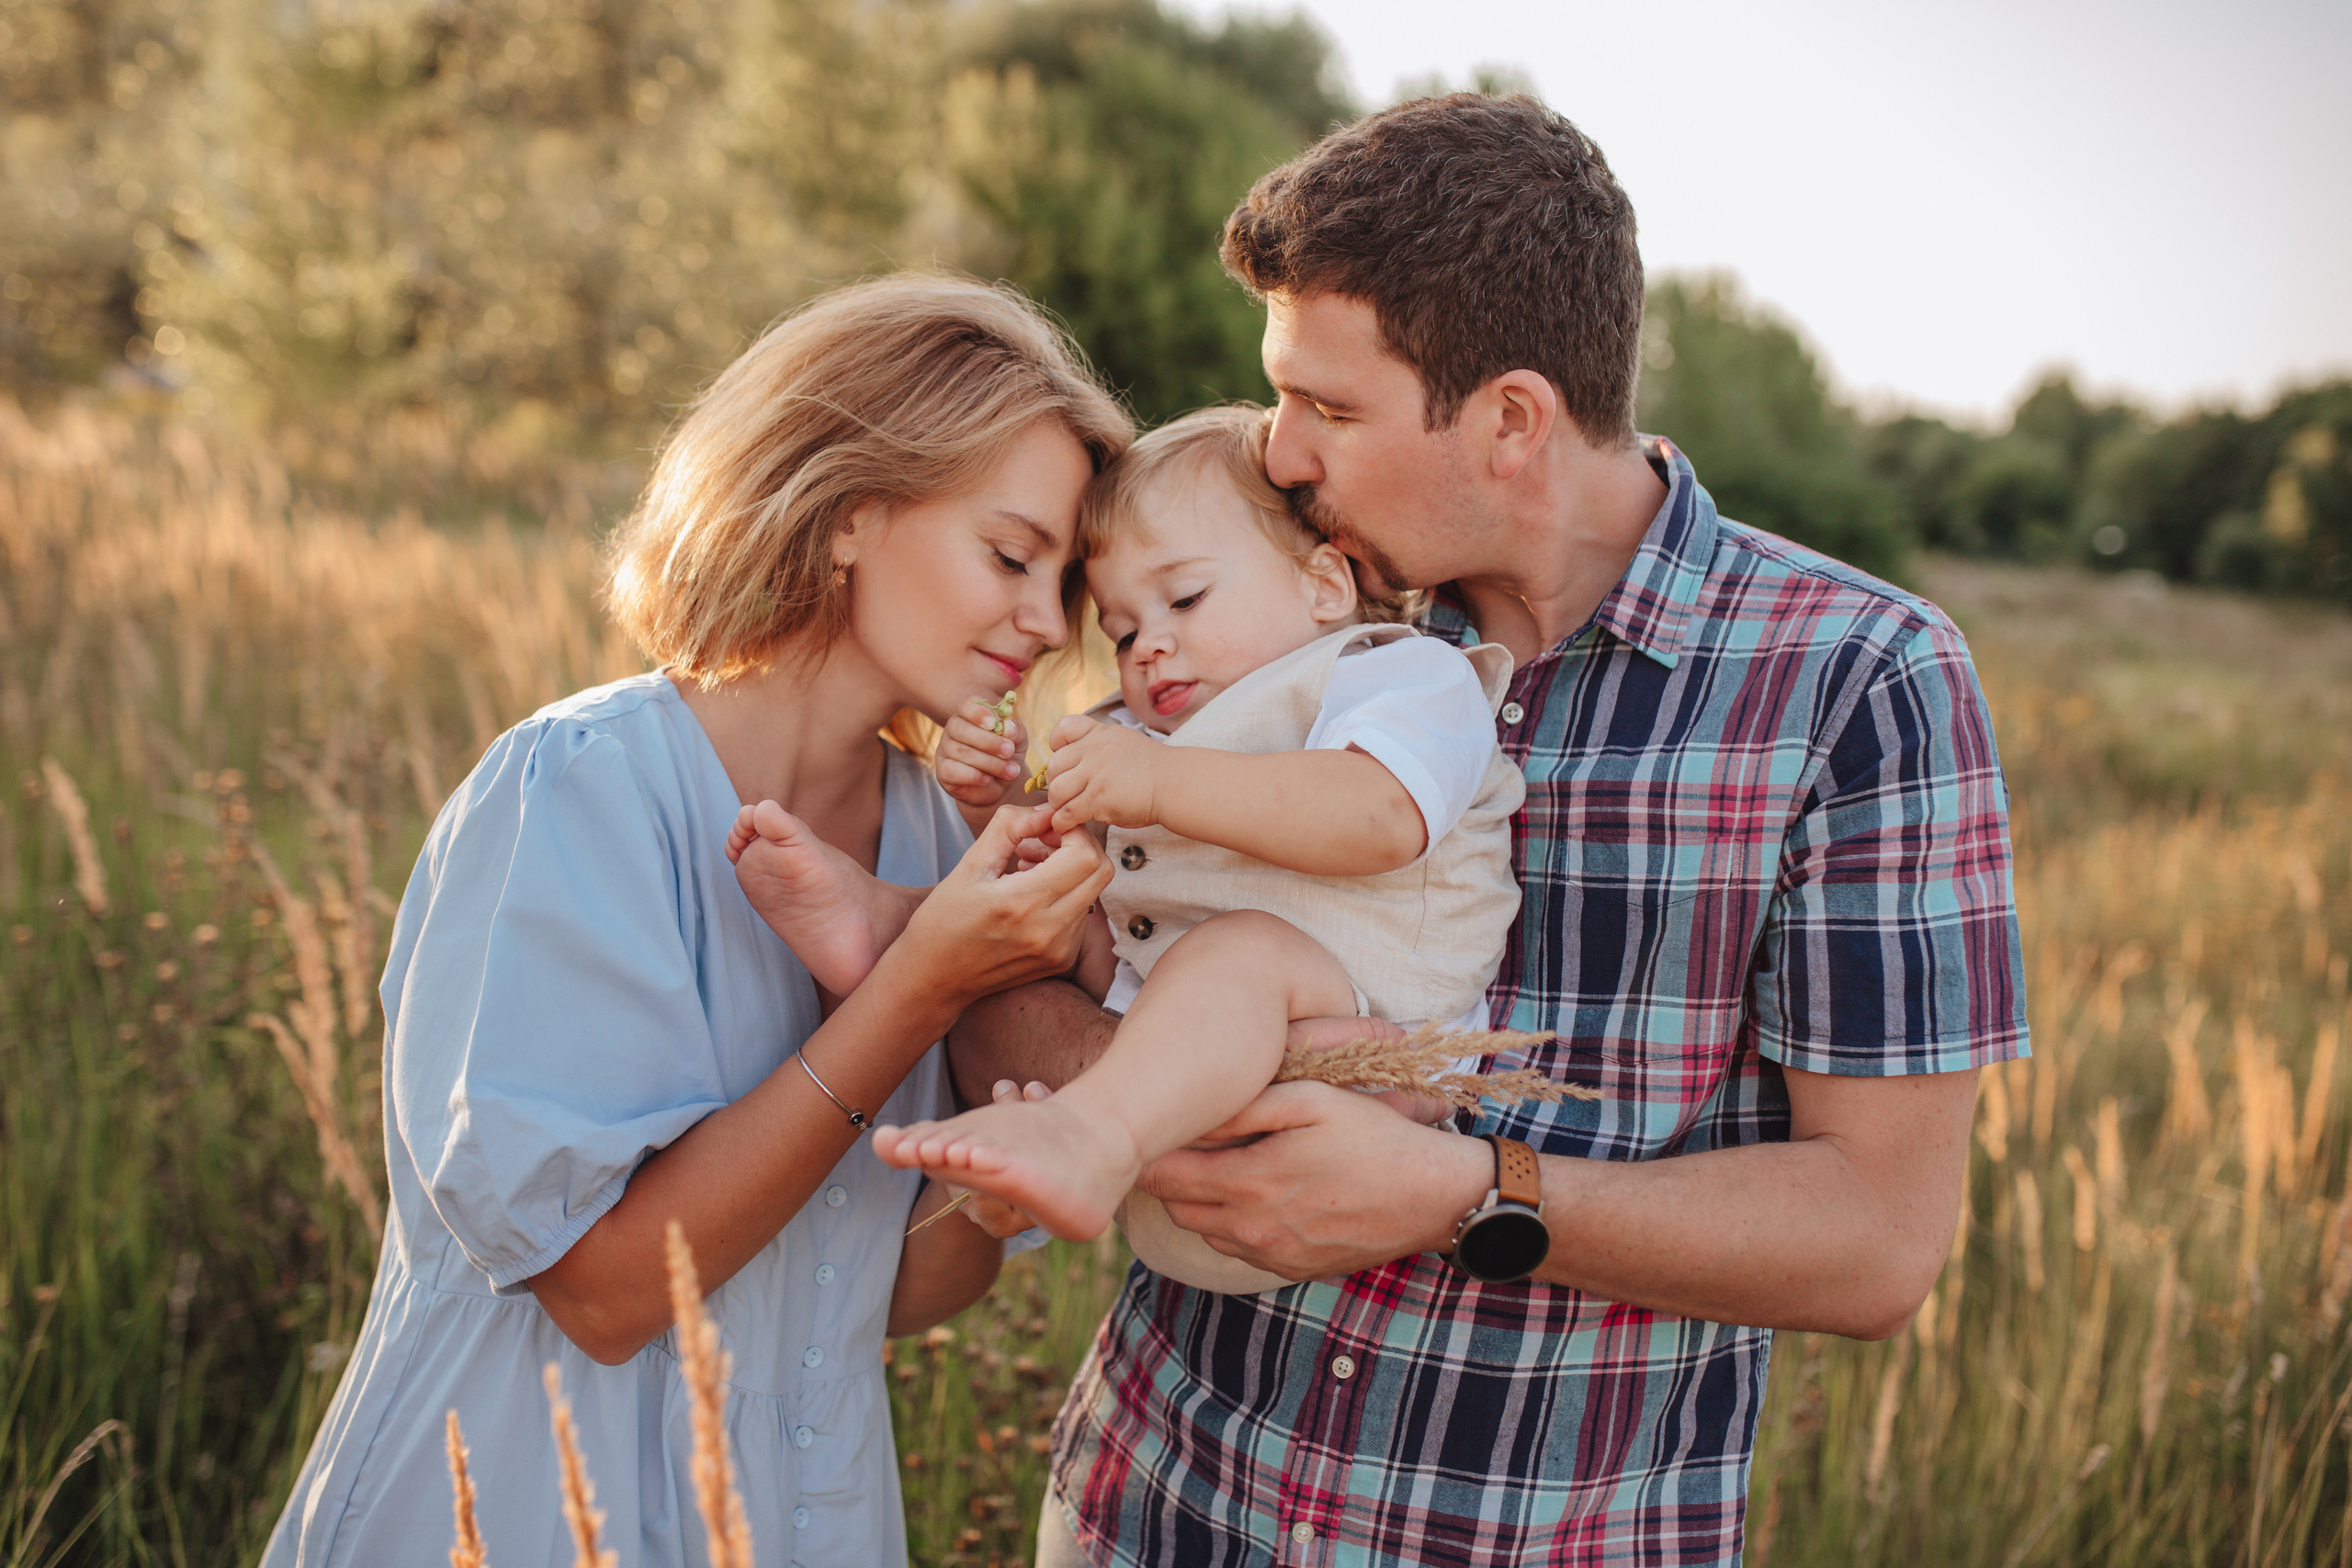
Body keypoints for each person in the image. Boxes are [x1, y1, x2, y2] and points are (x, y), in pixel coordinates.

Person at [950, 95, 2030, 1567]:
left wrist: (1468, 1194)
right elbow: (1008, 976)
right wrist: (1145, 1090)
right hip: (1156, 1500)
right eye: (1278, 399)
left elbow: (1878, 1241)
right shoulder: (1251, 600)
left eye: (1330, 409)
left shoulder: (1857, 681)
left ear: (1512, 420)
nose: (1280, 453)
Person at [262, 274, 1127, 1566]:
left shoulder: (945, 844)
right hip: (526, 1505)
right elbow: (607, 1293)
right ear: (849, 509)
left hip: (805, 1515)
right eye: (1010, 556)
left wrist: (990, 1193)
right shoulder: (579, 788)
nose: (1047, 624)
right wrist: (916, 987)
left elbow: (889, 1292)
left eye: (1068, 582)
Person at [739, 407, 1520, 1287]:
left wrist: (1155, 783)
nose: (1149, 645)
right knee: (1058, 911)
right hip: (1181, 1098)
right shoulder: (1144, 732)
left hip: (1361, 1063)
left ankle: (1088, 1133)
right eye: (1120, 632)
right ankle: (892, 927)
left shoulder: (1397, 677)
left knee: (1241, 952)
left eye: (1184, 599)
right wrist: (996, 797)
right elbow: (1062, 858)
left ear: (1324, 585)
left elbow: (1380, 817)